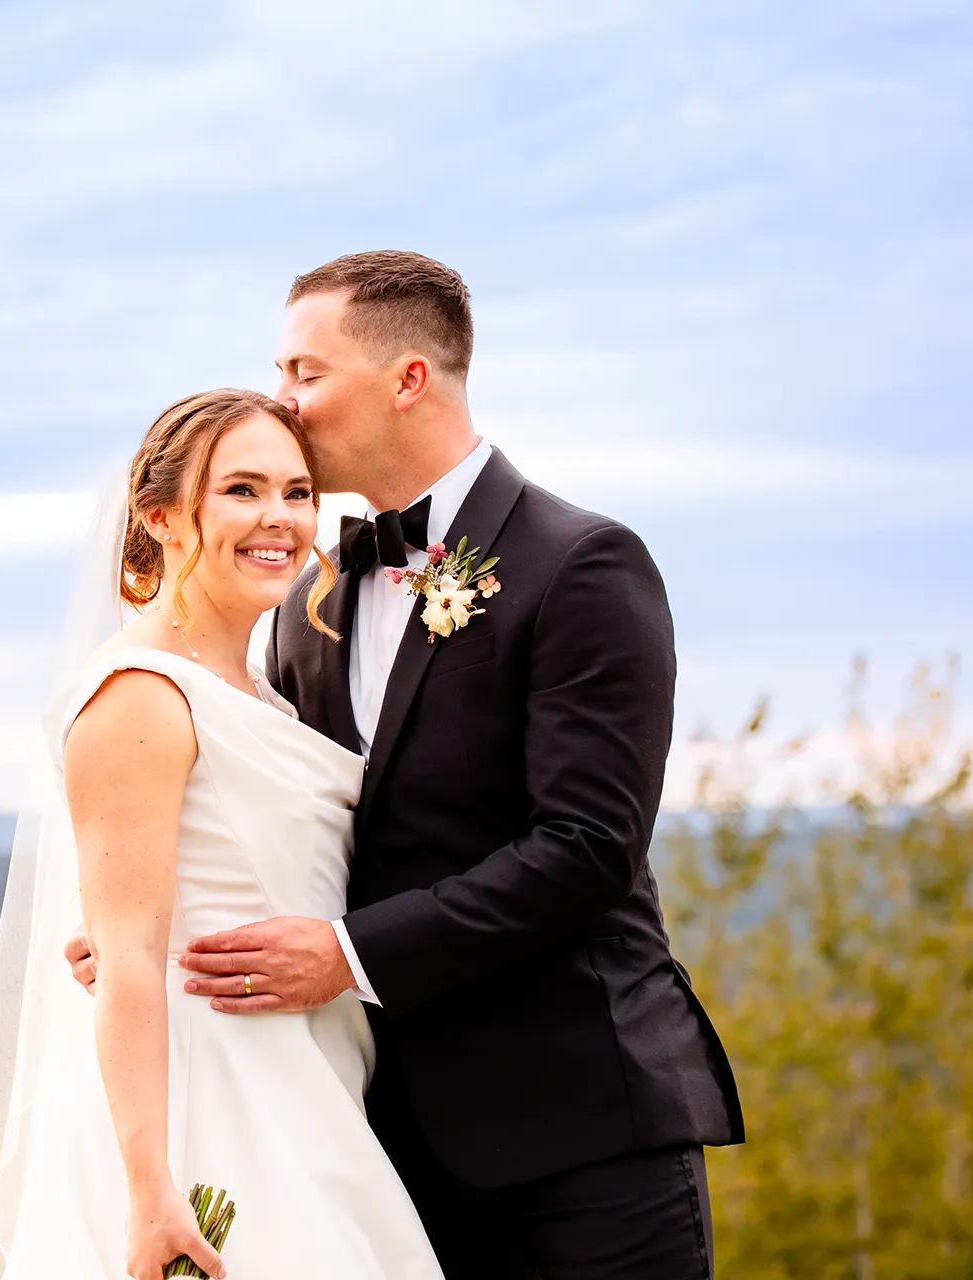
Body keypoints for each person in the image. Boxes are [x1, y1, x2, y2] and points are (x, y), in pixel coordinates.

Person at [67, 251, 744, 1278]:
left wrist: (345, 956)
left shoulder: (581, 565)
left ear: (409, 379)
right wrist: (159, 930)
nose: (283, 402)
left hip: (580, 1130)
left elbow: (587, 846)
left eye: (305, 372)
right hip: (380, 1144)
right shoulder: (305, 603)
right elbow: (288, 826)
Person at [0, 389, 447, 1279]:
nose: (281, 519)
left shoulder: (269, 685)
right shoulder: (141, 696)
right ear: (160, 517)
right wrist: (151, 1192)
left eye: (299, 493)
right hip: (204, 1100)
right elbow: (131, 960)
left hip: (307, 1083)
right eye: (243, 490)